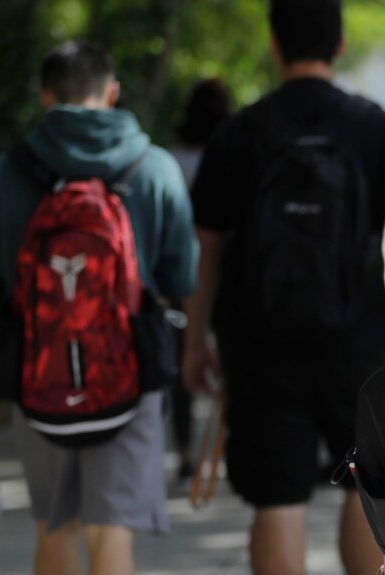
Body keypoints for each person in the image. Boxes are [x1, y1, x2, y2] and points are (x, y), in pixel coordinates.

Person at [184, 1, 385, 572]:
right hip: (359, 337)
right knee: (365, 484)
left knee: (278, 496)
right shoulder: (375, 126)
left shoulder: (241, 131)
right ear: (341, 45)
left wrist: (195, 337)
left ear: (275, 45)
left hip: (259, 340)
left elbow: (202, 244)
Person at [0, 40, 198, 575]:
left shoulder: (5, 174)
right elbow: (182, 275)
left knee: (54, 527)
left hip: (38, 371)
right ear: (112, 94)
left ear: (46, 95)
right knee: (111, 532)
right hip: (129, 375)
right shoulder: (154, 167)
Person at [168, 78, 232, 479]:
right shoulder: (231, 152)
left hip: (181, 267)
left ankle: (186, 450)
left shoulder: (174, 158)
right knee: (229, 354)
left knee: (183, 359)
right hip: (227, 267)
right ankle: (226, 441)